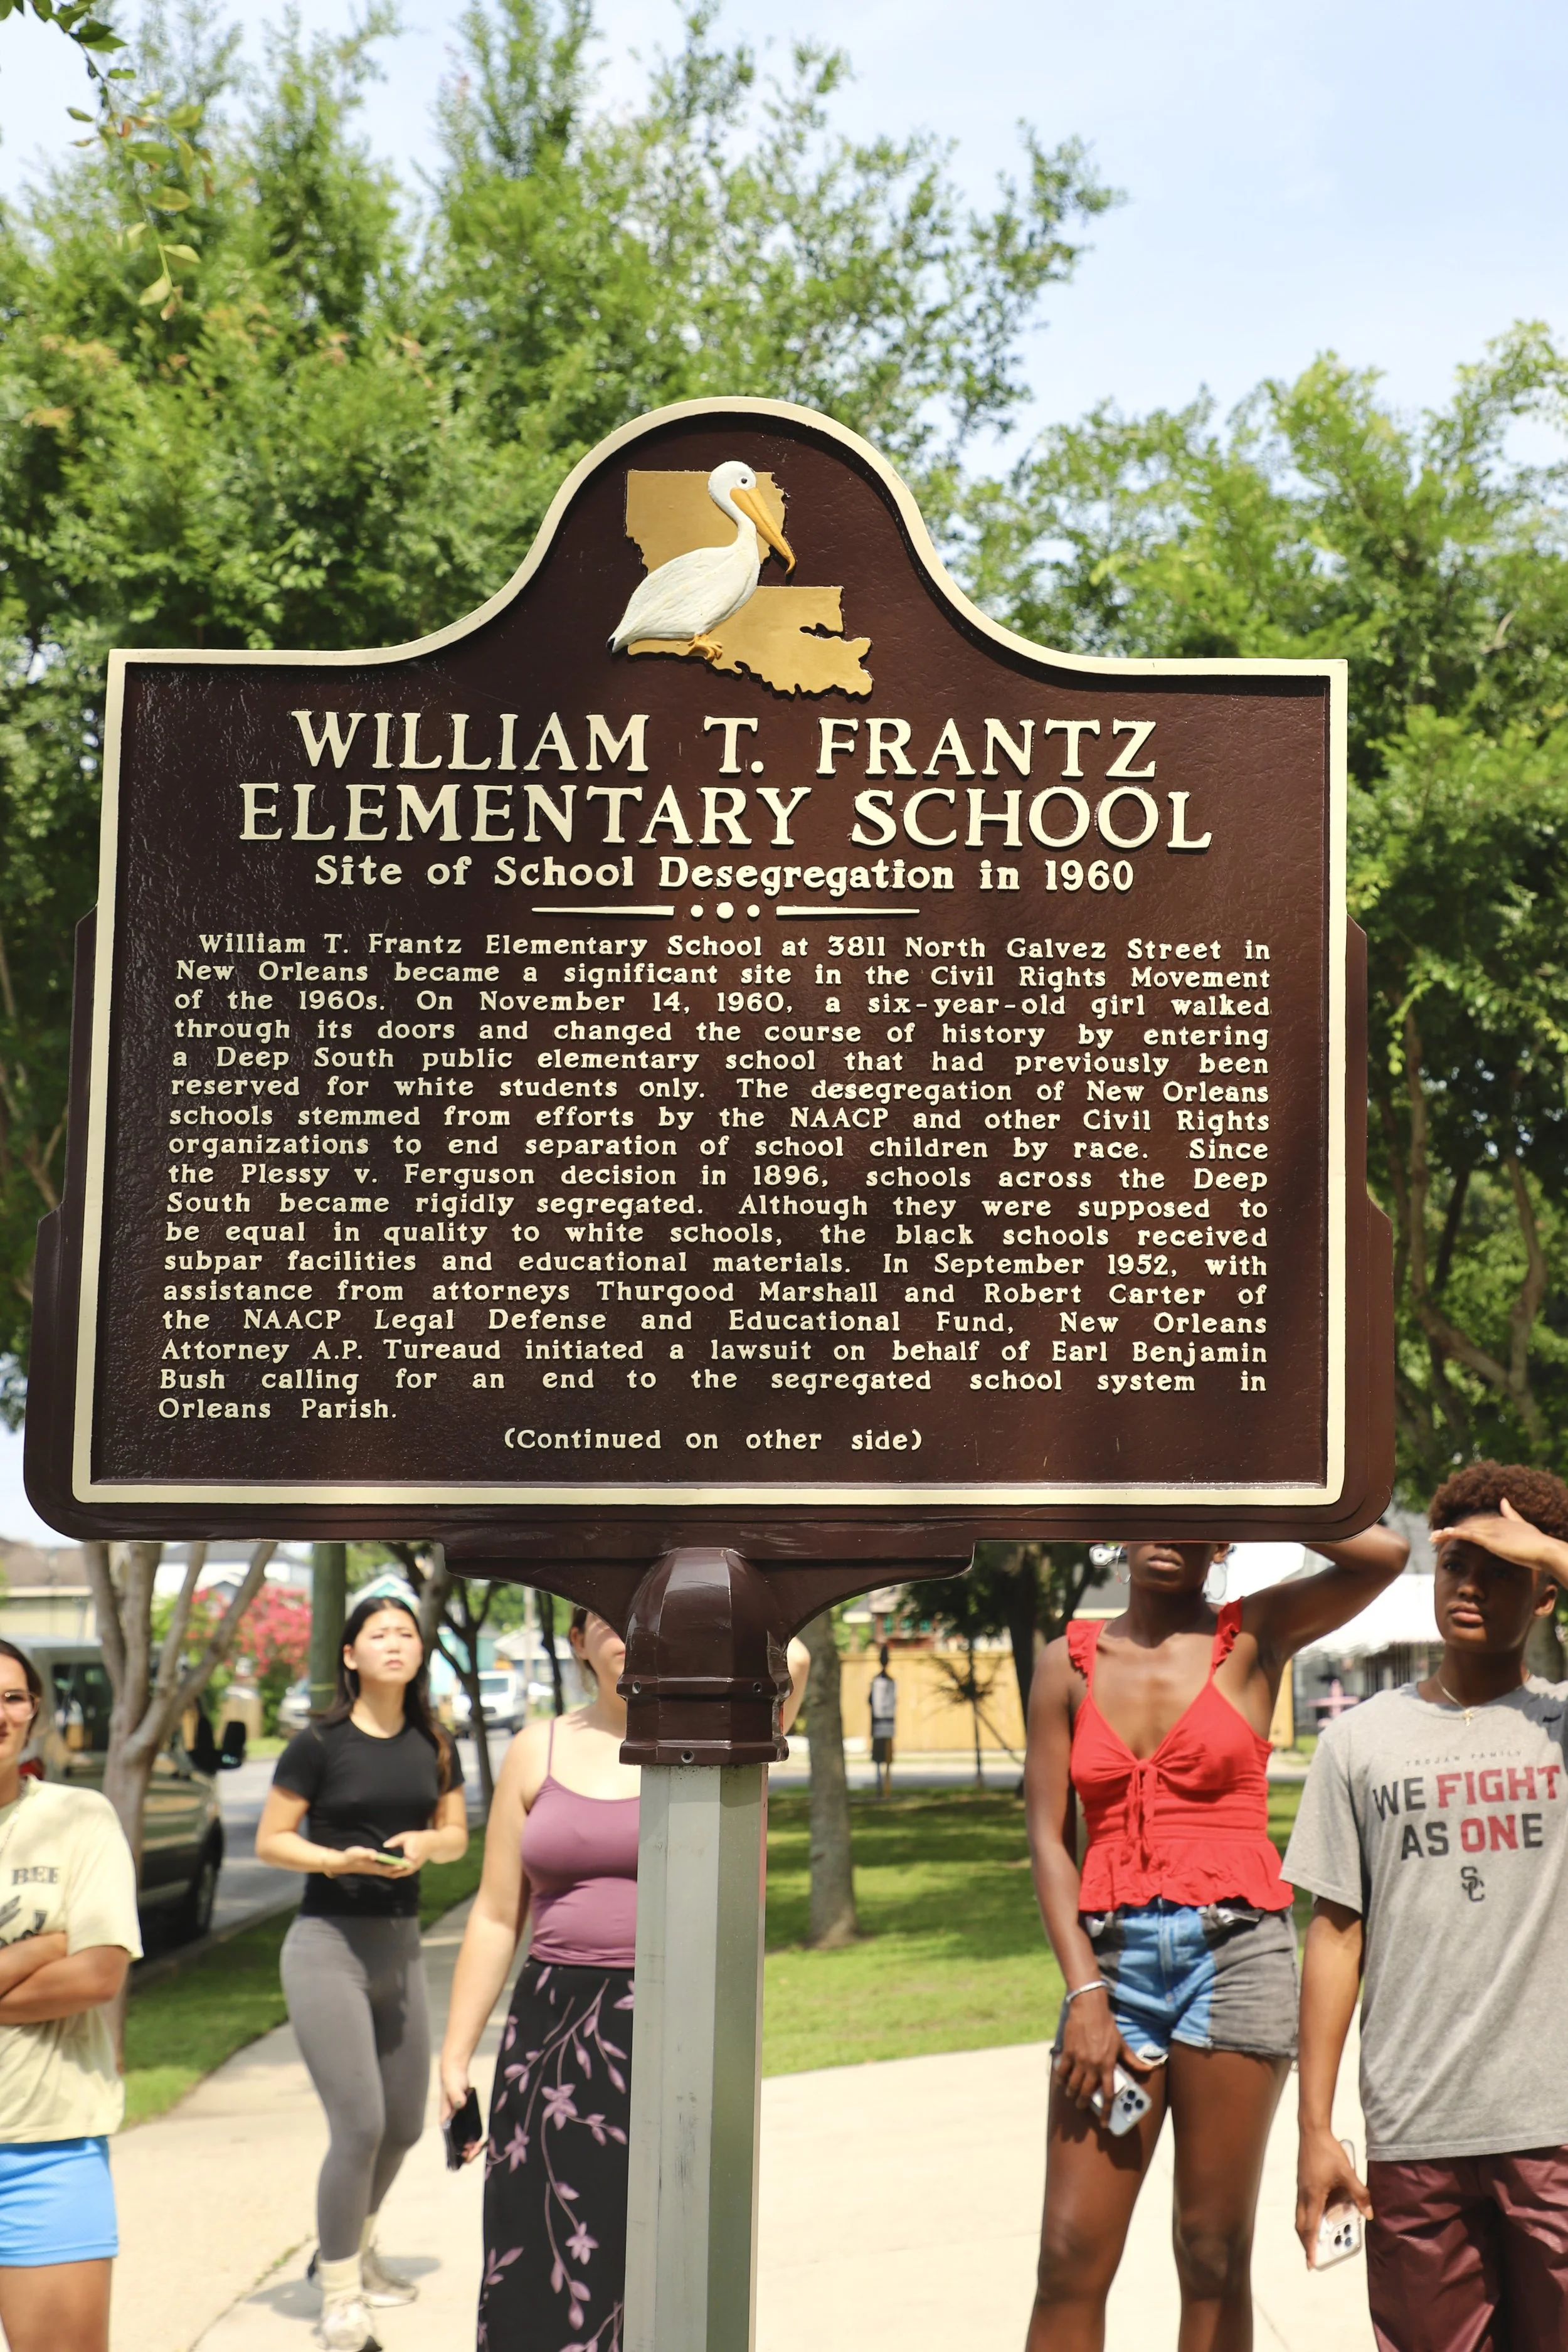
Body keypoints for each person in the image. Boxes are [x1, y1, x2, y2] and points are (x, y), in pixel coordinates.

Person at [1024, 1525, 1407, 2349]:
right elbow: (1050, 1838)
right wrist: (1085, 1990)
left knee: (1210, 2253)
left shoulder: (1257, 1632)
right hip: (1112, 1972)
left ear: (1225, 1538)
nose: (1173, 1533)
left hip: (1235, 1962)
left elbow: (1385, 1554)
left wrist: (1267, 1483)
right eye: (1159, 1510)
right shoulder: (1065, 1661)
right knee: (1067, 2255)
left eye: (1200, 1517)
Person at [440, 1604, 810, 2352]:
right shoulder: (534, 1750)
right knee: (539, 2248)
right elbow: (493, 1914)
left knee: (662, 2251)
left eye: (639, 1618)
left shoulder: (719, 1733)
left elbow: (794, 1657)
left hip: (679, 2021)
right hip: (551, 2032)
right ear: (576, 1642)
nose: (624, 1635)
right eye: (604, 1620)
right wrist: (455, 2054)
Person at [1288, 1463, 1568, 2349]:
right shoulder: (1360, 1741)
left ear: (1546, 1595)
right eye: (1456, 1564)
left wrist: (1556, 1549)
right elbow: (1336, 1934)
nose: (1472, 1585)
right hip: (1416, 2130)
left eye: (1499, 1566)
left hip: (1554, 2126)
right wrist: (1315, 2128)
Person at [257, 1593, 469, 2352]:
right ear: (350, 1655)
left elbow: (456, 1837)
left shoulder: (434, 1742)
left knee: (406, 2124)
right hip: (326, 1945)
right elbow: (272, 1841)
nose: (393, 1644)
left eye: (405, 1634)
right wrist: (335, 1858)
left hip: (400, 1943)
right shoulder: (318, 1744)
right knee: (360, 2125)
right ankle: (340, 2294)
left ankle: (352, 2249)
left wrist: (423, 1845)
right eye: (377, 1634)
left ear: (419, 1653)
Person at [0, 1636, 142, 2352]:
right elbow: (72, 1958)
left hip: (48, 2150)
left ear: (33, 1713)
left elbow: (98, 1975)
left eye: (13, 1696)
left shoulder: (80, 1819)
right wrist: (41, 1946)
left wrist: (73, 1956)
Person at [869, 1645, 897, 1798]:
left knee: (881, 1756)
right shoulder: (891, 1682)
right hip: (887, 1724)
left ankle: (882, 1786)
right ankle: (884, 1786)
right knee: (885, 1756)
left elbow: (870, 1701)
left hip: (879, 1724)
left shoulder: (877, 1681)